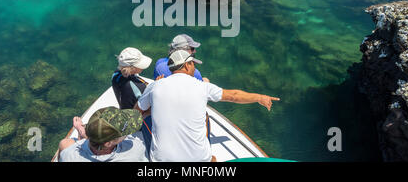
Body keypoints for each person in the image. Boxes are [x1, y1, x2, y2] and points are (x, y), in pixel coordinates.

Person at [135, 50, 280, 162]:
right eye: (194, 64)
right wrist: (259, 97)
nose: (195, 68)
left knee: (147, 118)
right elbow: (234, 96)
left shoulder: (155, 86)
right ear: (187, 65)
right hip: (200, 161)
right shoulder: (202, 87)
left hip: (162, 162)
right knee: (205, 116)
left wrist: (153, 104)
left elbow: (136, 112)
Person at [58, 107, 148, 162]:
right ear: (108, 143)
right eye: (125, 131)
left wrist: (83, 136)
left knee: (64, 143)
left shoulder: (68, 155)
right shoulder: (135, 149)